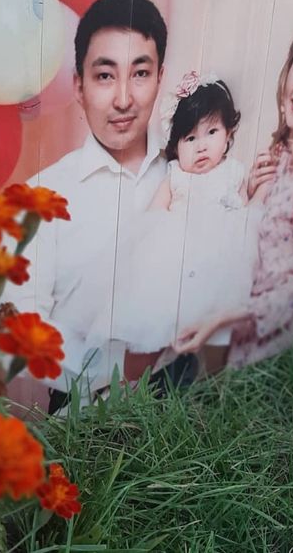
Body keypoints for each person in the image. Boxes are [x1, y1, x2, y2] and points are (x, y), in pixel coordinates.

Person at [0, 0, 169, 399]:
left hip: (196, 400)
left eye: (140, 73)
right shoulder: (39, 197)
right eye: (105, 76)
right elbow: (16, 328)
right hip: (83, 414)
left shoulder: (188, 173)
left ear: (160, 78)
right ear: (78, 86)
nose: (124, 99)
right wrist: (117, 371)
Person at [174, 5, 293, 366]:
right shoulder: (280, 150)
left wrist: (220, 318)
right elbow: (252, 242)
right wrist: (247, 193)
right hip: (234, 330)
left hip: (272, 351)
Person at [85, 73, 262, 376]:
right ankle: (130, 385)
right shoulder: (176, 176)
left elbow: (244, 217)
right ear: (176, 146)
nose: (201, 146)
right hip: (175, 263)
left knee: (211, 342)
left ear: (228, 134)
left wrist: (255, 189)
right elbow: (152, 219)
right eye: (190, 138)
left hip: (216, 263)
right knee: (150, 321)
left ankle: (200, 378)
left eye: (211, 132)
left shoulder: (233, 172)